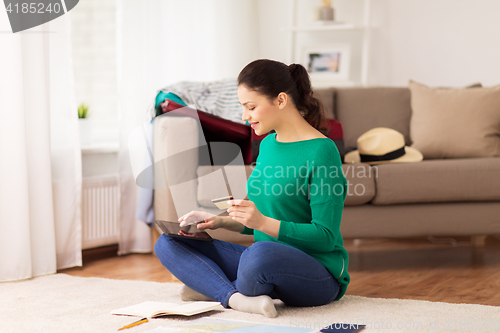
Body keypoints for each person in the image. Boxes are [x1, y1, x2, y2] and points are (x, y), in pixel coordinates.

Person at [154, 59, 350, 318]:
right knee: (168, 243)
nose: (244, 117)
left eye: (251, 107)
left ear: (281, 100)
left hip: (318, 274)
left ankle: (216, 288)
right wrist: (218, 221)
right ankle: (235, 297)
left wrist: (262, 222)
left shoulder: (322, 151)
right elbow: (257, 219)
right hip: (263, 262)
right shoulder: (268, 145)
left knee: (257, 255)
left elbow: (325, 236)